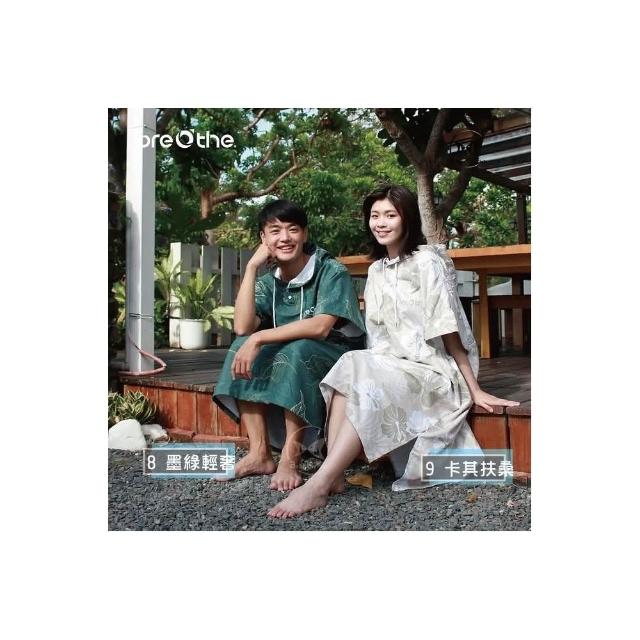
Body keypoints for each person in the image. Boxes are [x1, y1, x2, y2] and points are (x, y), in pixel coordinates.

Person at [267, 185, 519, 518]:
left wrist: (474, 388)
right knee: (352, 362)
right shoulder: (375, 270)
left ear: (407, 218)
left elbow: (448, 329)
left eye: (390, 215)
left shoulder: (428, 261)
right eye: (375, 216)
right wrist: (371, 366)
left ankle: (319, 485)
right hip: (390, 365)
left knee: (363, 372)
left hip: (430, 371)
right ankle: (334, 474)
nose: (381, 223)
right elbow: (376, 338)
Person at [213, 199, 366, 491]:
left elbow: (321, 327)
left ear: (304, 234)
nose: (285, 238)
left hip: (340, 352)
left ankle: (290, 458)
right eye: (275, 231)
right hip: (295, 349)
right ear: (263, 238)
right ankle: (259, 453)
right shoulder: (268, 281)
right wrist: (251, 267)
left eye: (293, 229)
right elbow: (242, 327)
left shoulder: (329, 270)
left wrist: (259, 337)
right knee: (240, 346)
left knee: (295, 350)